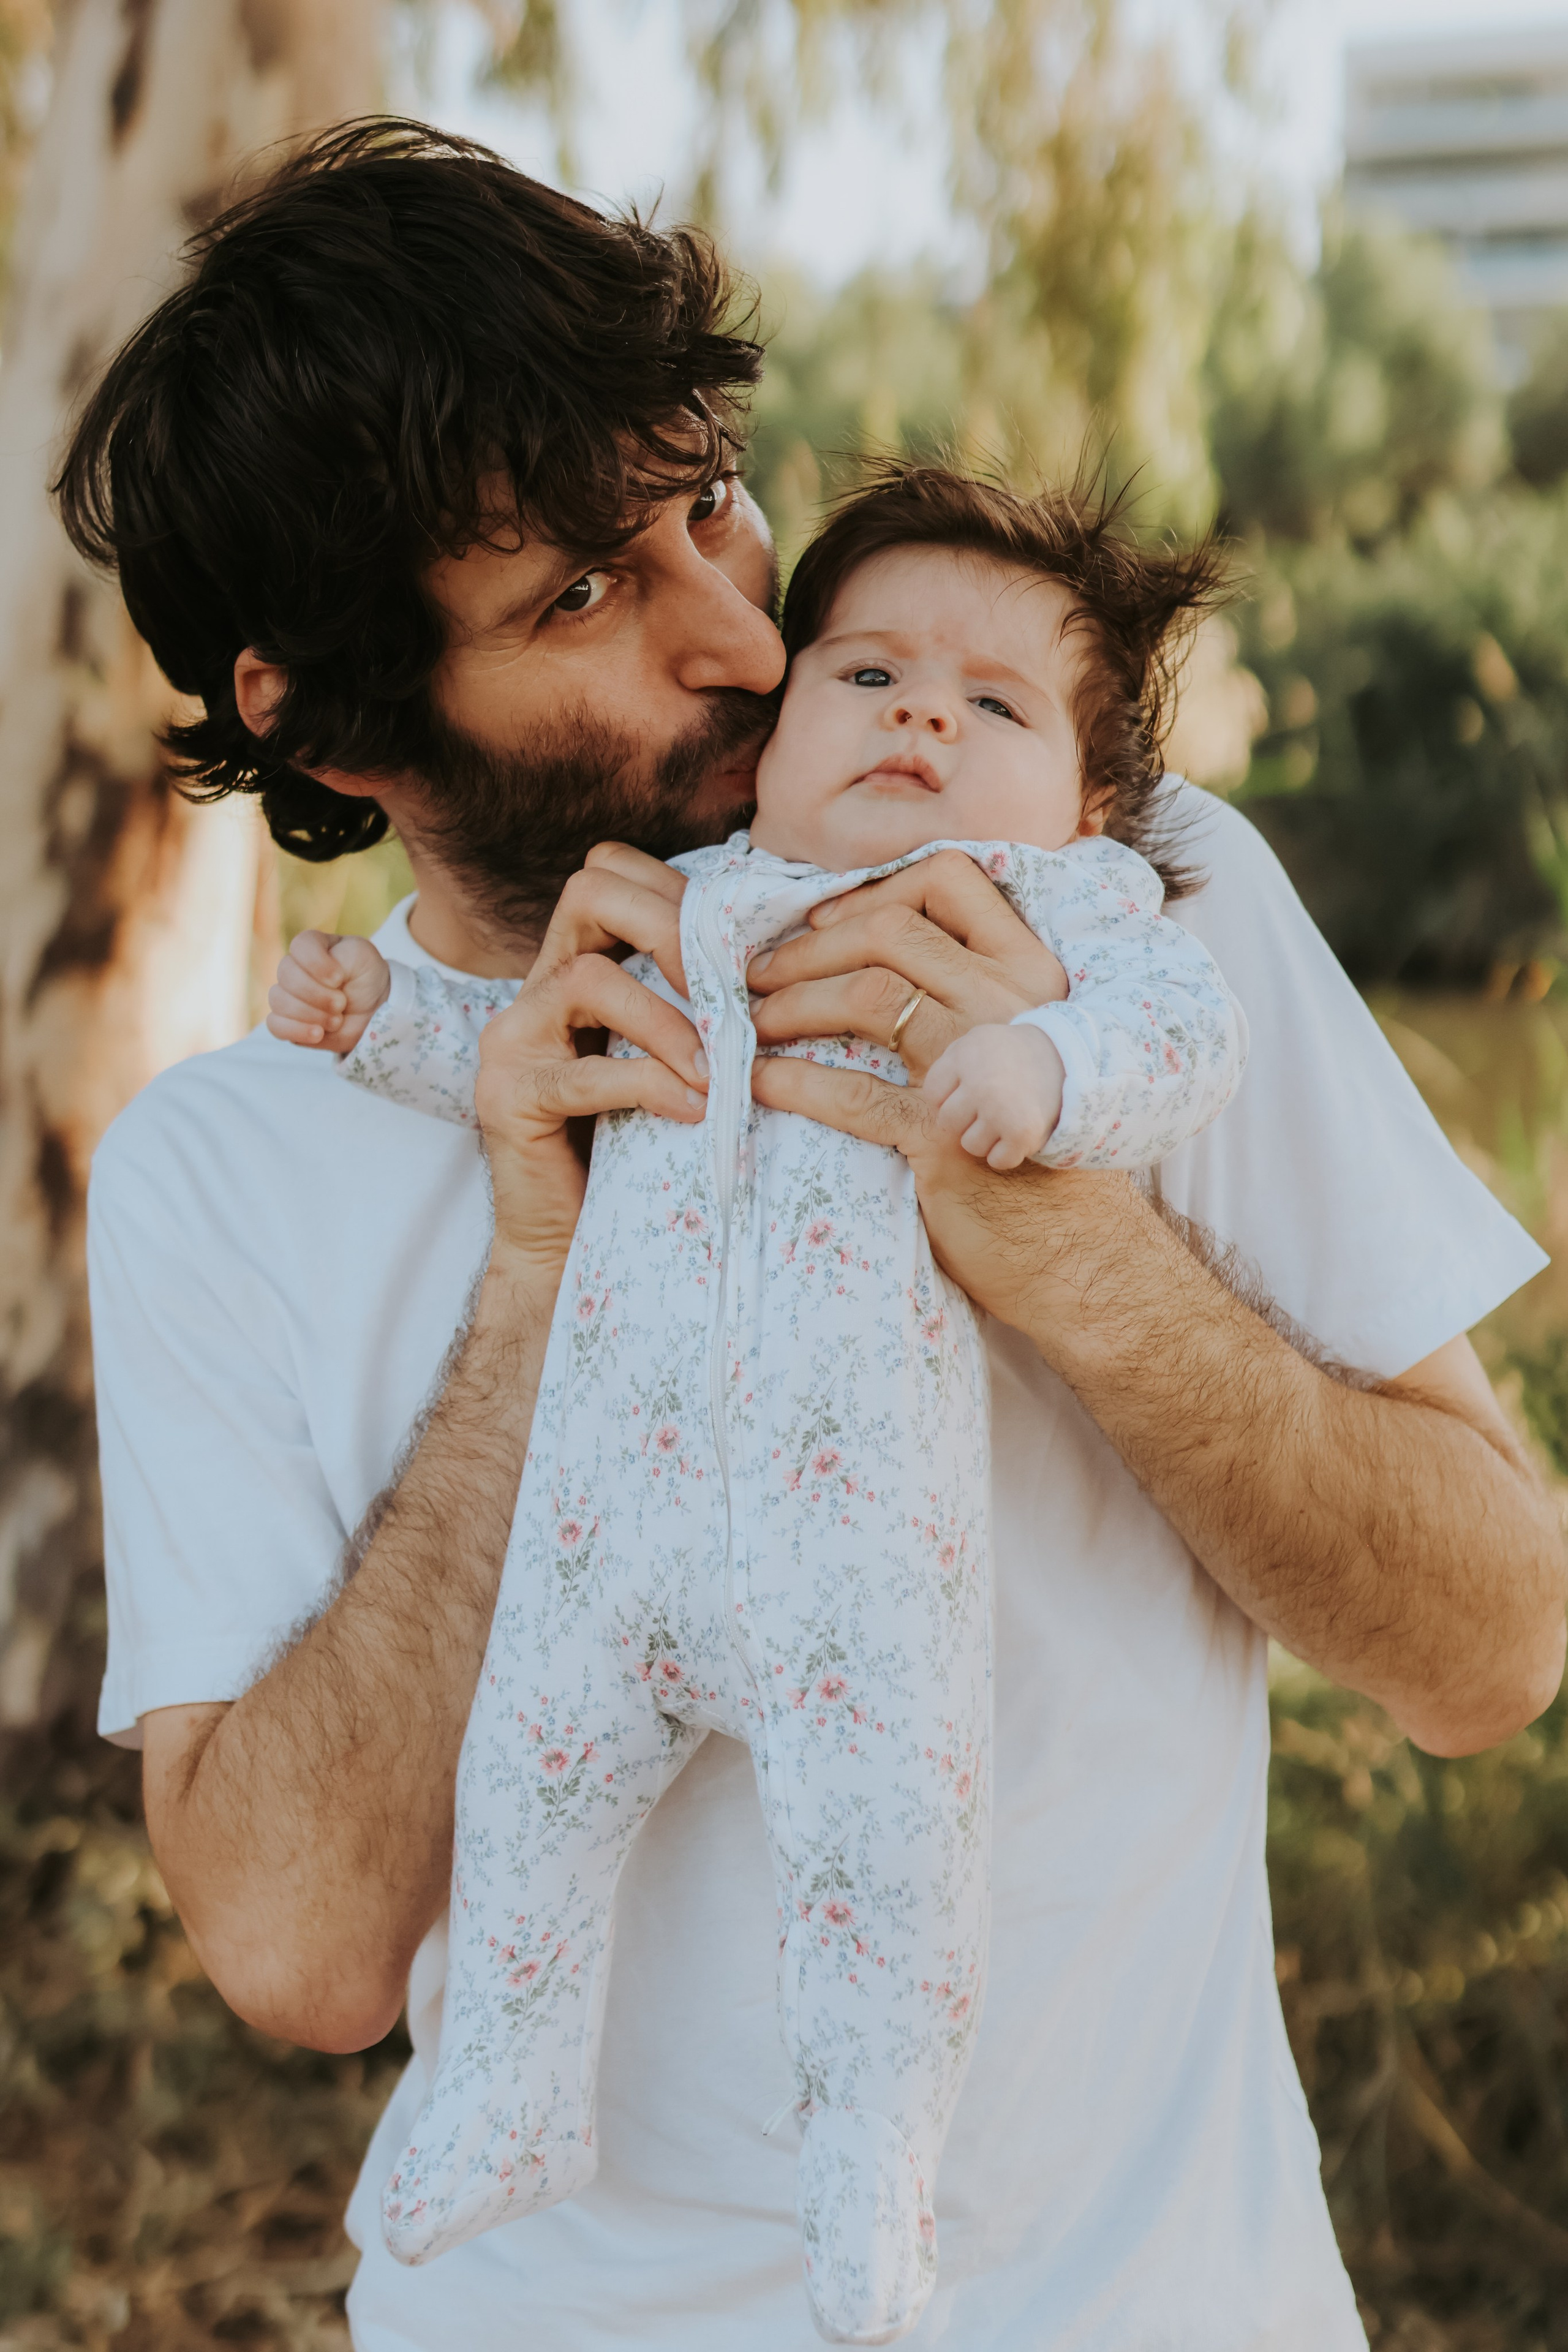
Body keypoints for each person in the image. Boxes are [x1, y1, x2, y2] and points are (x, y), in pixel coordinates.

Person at [58, 120, 1563, 2352]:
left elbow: (1495, 1644)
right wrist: (533, 1274)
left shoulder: (1126, 896)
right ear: (331, 715)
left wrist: (1056, 1230)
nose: (747, 634)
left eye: (707, 499)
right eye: (582, 596)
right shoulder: (231, 1160)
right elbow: (298, 1949)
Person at [266, 469, 1246, 2341]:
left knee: (888, 1859)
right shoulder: (677, 899)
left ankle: (873, 2178)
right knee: (531, 1794)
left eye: (994, 707)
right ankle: (510, 2102)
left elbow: (1184, 1039)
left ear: (1088, 801)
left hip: (849, 1539)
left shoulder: (1063, 901)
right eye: (868, 675)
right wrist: (377, 1027)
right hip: (605, 1531)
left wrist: (1044, 1072)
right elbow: (526, 1059)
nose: (923, 718)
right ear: (779, 726)